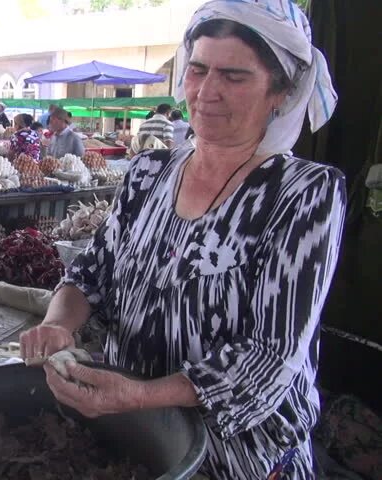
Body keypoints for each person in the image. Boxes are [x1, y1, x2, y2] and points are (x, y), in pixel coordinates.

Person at [19, 1, 342, 478]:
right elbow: (92, 272)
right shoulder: (149, 171)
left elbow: (269, 357)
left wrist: (140, 396)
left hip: (236, 458)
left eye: (234, 76)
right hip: (135, 442)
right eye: (197, 69)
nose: (207, 92)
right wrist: (58, 323)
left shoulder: (304, 194)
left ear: (281, 91)